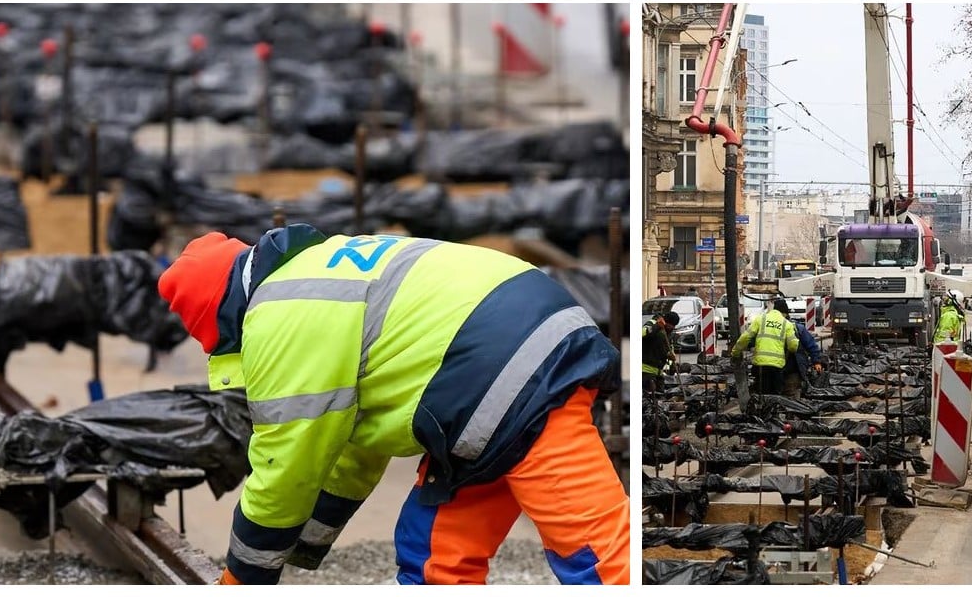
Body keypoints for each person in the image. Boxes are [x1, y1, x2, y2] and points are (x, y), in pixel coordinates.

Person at [158, 227, 628, 585]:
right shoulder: (312, 272)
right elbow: (353, 448)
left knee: (598, 557)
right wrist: (306, 544)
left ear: (215, 317)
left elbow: (285, 467)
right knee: (435, 558)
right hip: (497, 370)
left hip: (510, 370)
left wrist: (242, 579)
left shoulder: (277, 315)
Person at [730, 296, 799, 398]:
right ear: (785, 313)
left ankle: (760, 407)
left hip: (760, 364)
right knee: (775, 396)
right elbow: (793, 346)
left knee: (761, 394)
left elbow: (745, 338)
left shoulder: (760, 319)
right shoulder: (787, 324)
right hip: (777, 366)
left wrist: (735, 352)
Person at [782, 305, 824, 397]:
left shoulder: (797, 328)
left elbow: (811, 345)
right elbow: (811, 345)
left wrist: (816, 361)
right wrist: (816, 361)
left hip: (785, 369)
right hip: (791, 369)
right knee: (791, 395)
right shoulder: (798, 328)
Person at [642, 310, 679, 395]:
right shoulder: (652, 324)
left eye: (674, 326)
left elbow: (667, 348)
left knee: (660, 396)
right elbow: (642, 333)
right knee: (649, 398)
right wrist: (657, 326)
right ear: (666, 321)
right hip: (646, 372)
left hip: (659, 373)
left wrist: (670, 359)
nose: (672, 328)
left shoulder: (667, 332)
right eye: (671, 325)